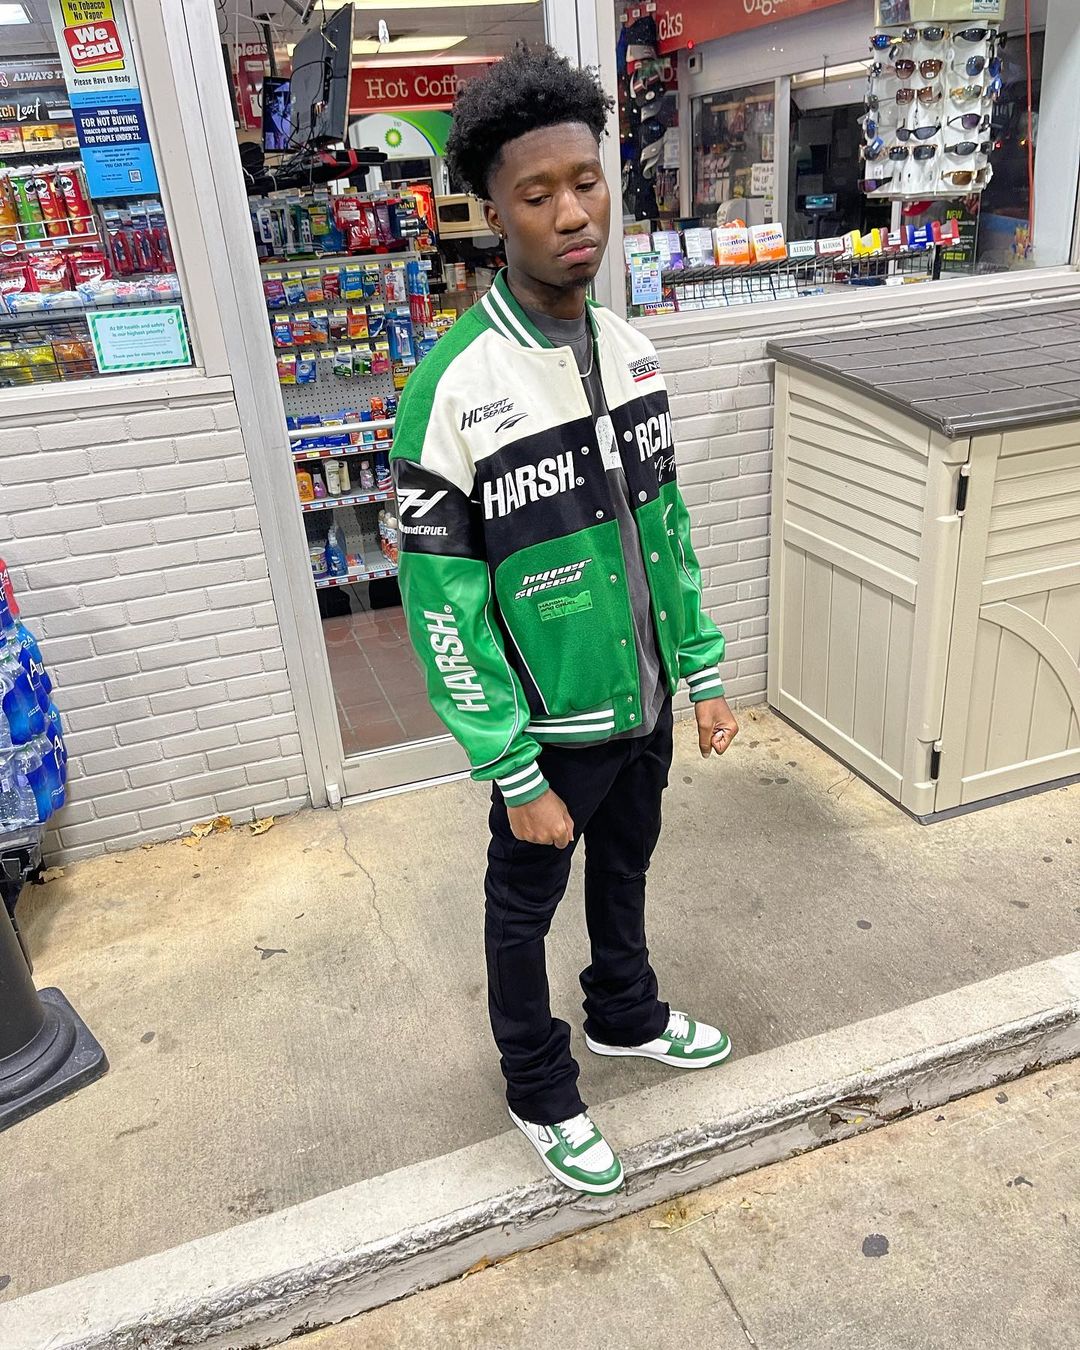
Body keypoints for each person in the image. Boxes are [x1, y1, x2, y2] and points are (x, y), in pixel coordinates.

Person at [390, 44, 739, 1196]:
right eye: (536, 194)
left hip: (642, 699)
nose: (572, 213)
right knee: (521, 912)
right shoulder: (451, 390)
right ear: (492, 213)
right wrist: (510, 765)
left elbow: (667, 530)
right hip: (549, 731)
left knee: (627, 864)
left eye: (585, 181)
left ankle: (625, 1013)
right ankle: (539, 1087)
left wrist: (699, 671)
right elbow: (443, 607)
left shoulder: (632, 352)